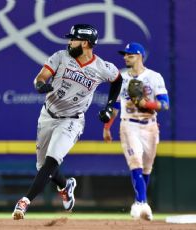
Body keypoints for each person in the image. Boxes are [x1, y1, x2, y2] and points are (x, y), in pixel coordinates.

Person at [12, 24, 122, 220]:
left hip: (72, 121)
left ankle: (25, 201)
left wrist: (109, 106)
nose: (69, 42)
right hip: (48, 115)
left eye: (74, 38)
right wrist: (40, 85)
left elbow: (117, 80)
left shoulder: (101, 67)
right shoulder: (61, 57)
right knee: (43, 168)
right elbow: (40, 77)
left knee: (51, 161)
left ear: (86, 43)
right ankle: (65, 185)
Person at [102, 42, 169, 221]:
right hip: (128, 125)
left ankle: (140, 202)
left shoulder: (155, 77)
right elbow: (115, 106)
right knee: (136, 162)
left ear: (140, 56)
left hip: (150, 126)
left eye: (130, 55)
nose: (126, 58)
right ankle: (142, 203)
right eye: (125, 55)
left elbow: (165, 104)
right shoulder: (121, 78)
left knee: (147, 168)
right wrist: (107, 127)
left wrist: (147, 104)